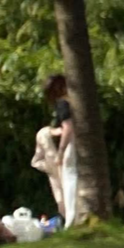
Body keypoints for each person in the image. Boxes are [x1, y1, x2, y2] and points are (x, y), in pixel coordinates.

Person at [36, 74, 78, 226]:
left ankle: (71, 219)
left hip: (72, 145)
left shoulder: (62, 104)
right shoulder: (76, 101)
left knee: (69, 180)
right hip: (82, 143)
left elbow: (68, 127)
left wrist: (60, 152)